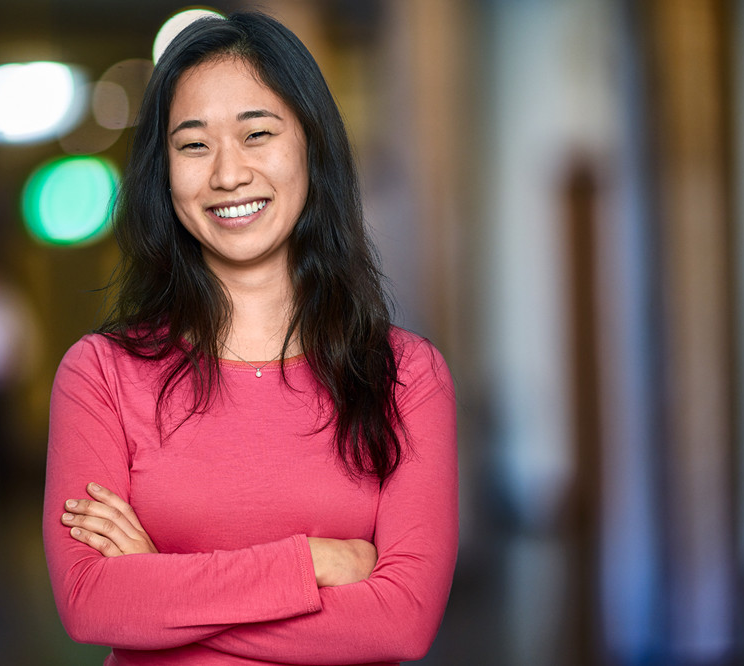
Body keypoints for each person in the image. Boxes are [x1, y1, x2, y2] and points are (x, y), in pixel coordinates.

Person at [43, 10, 458, 666]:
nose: (228, 174)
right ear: (164, 173)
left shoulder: (406, 377)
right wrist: (309, 565)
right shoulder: (101, 374)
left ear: (311, 147)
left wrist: (162, 586)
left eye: (257, 133)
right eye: (193, 144)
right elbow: (92, 600)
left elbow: (399, 623)